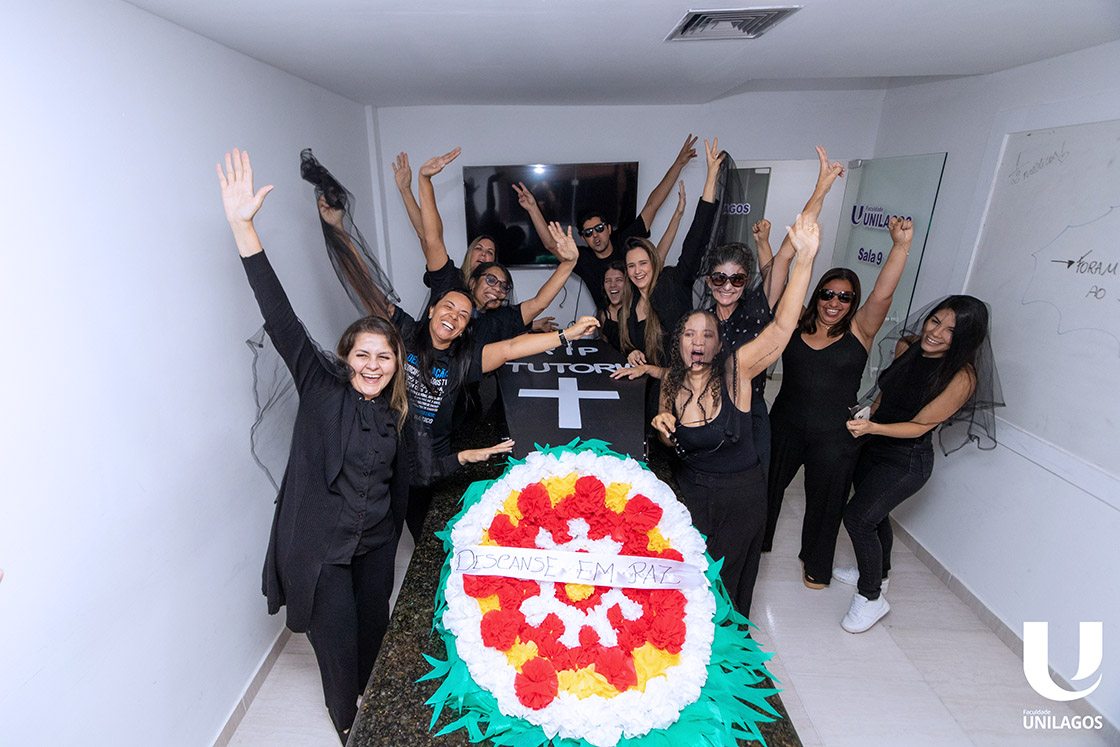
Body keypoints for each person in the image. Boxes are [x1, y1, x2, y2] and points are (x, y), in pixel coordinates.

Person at [217, 148, 409, 743]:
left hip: (374, 549)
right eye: (363, 354)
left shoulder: (397, 413)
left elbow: (408, 480)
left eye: (384, 357)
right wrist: (244, 229)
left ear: (395, 364)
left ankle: (375, 710)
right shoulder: (321, 387)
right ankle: (351, 728)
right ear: (346, 358)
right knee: (338, 651)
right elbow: (281, 318)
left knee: (374, 639)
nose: (373, 365)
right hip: (323, 550)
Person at [651, 213, 821, 619]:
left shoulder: (737, 372)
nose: (698, 340)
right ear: (679, 342)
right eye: (690, 333)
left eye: (708, 334)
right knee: (690, 584)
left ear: (717, 345)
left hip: (739, 499)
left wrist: (805, 259)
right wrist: (662, 426)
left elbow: (782, 327)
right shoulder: (671, 381)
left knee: (726, 589)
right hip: (692, 495)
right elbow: (666, 434)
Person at [765, 206, 916, 590]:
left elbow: (883, 294)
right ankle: (755, 544)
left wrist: (900, 247)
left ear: (853, 303)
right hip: (784, 423)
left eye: (845, 298)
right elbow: (779, 280)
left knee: (826, 502)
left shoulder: (861, 330)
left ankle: (816, 563)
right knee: (764, 488)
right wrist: (787, 247)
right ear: (817, 295)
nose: (834, 302)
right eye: (828, 294)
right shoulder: (796, 321)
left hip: (835, 435)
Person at [835, 295, 1000, 633]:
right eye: (935, 321)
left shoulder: (962, 377)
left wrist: (873, 428)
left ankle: (871, 597)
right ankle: (879, 575)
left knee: (858, 518)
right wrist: (868, 416)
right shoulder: (907, 347)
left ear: (965, 338)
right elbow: (886, 393)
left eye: (950, 330)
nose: (936, 332)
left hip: (907, 460)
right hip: (874, 446)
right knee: (875, 515)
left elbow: (921, 426)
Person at [414, 148, 578, 345]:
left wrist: (569, 263)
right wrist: (424, 181)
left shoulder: (501, 319)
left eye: (503, 286)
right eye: (491, 280)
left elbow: (539, 303)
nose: (498, 289)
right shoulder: (449, 281)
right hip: (424, 361)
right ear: (472, 283)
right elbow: (432, 239)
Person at [516, 135, 699, 311]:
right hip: (608, 324)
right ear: (583, 238)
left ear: (609, 228)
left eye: (599, 228)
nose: (595, 235)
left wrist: (678, 164)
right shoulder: (583, 259)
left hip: (639, 319)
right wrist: (532, 208)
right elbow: (550, 244)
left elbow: (652, 206)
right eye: (588, 233)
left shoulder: (626, 242)